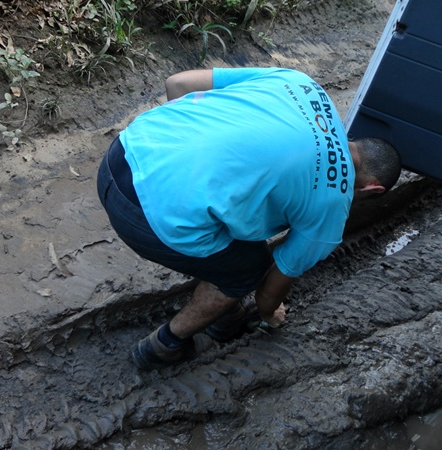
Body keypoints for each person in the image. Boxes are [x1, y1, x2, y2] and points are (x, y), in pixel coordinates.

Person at [96, 67, 401, 370]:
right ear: (372, 187)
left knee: (236, 231)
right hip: (140, 214)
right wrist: (269, 314)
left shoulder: (301, 84)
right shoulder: (332, 206)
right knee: (248, 270)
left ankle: (224, 314)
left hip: (123, 153)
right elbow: (269, 290)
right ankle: (163, 346)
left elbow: (178, 83)